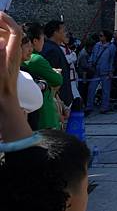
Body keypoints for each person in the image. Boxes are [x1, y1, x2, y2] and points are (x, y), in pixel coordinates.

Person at [0, 12, 92, 211]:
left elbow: (23, 162)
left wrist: (8, 88)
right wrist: (10, 86)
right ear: (68, 199)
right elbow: (49, 85)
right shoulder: (33, 67)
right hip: (40, 123)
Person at [21, 23, 63, 130]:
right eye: (43, 39)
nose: (30, 49)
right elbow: (57, 80)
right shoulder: (36, 60)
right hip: (44, 116)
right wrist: (55, 74)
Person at [41, 20, 73, 108]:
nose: (65, 33)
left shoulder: (54, 48)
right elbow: (51, 77)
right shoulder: (51, 50)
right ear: (56, 32)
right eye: (63, 30)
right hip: (57, 99)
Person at [85, 30, 116, 114]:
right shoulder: (97, 45)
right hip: (96, 70)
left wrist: (110, 71)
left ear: (106, 37)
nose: (100, 37)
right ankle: (89, 106)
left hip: (105, 70)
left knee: (105, 90)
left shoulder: (111, 47)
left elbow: (111, 60)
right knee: (91, 88)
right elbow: (93, 55)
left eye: (101, 35)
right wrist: (90, 62)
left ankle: (104, 107)